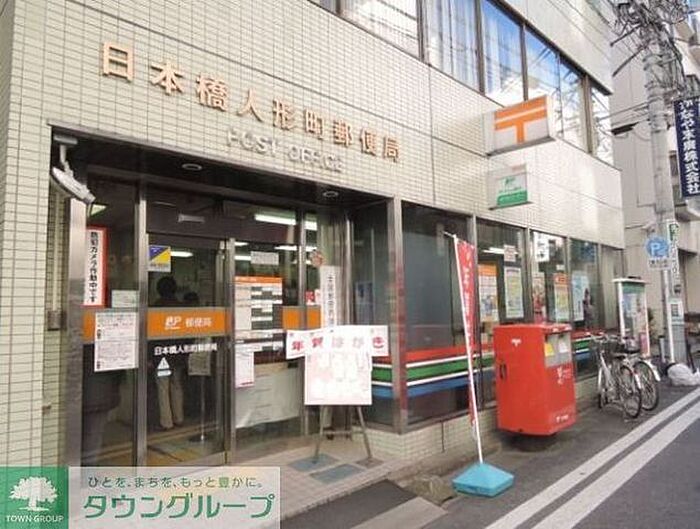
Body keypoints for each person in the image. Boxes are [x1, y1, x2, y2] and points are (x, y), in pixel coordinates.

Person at [152, 276, 185, 430]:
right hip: (178, 354)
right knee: (176, 385)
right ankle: (179, 418)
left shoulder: (155, 308)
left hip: (161, 354)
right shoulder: (182, 307)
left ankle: (167, 422)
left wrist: (150, 356)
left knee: (163, 387)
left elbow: (151, 336)